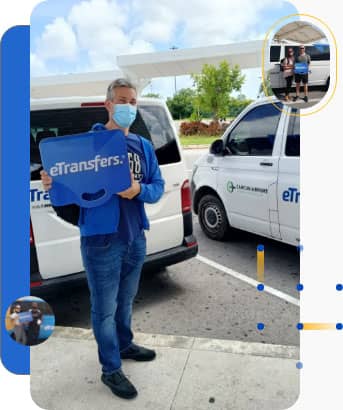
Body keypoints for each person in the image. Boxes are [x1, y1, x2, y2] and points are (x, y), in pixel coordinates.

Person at [40, 78, 165, 400]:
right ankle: (110, 369)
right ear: (108, 104)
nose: (128, 107)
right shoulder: (87, 146)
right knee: (104, 310)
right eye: (122, 100)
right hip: (101, 240)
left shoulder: (143, 146)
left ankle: (124, 345)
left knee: (125, 301)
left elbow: (157, 186)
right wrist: (52, 184)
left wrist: (139, 190)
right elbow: (65, 197)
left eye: (133, 102)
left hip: (136, 236)